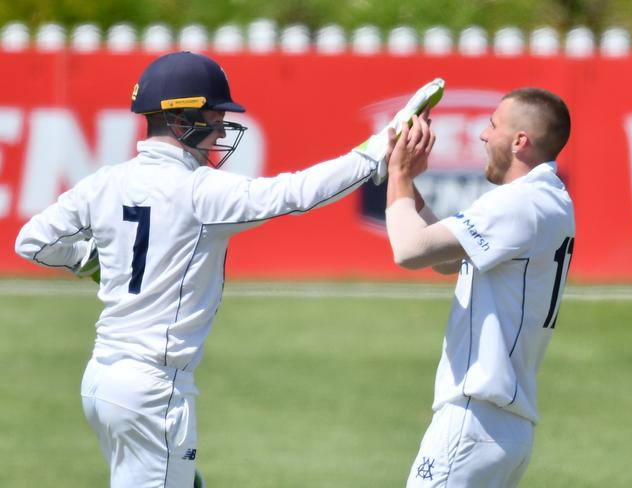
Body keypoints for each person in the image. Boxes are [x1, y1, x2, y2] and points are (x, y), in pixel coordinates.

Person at [14, 50, 442, 487]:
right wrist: (378, 150)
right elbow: (296, 193)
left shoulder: (106, 180)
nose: (222, 129)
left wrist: (88, 261)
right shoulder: (200, 190)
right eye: (214, 118)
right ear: (183, 121)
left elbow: (32, 241)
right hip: (153, 388)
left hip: (101, 381)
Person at [384, 87, 574, 487]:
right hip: (506, 429)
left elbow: (409, 250)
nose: (484, 135)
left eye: (492, 125)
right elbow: (446, 259)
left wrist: (398, 174)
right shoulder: (548, 199)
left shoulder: (520, 203)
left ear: (520, 141)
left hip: (474, 420)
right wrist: (409, 184)